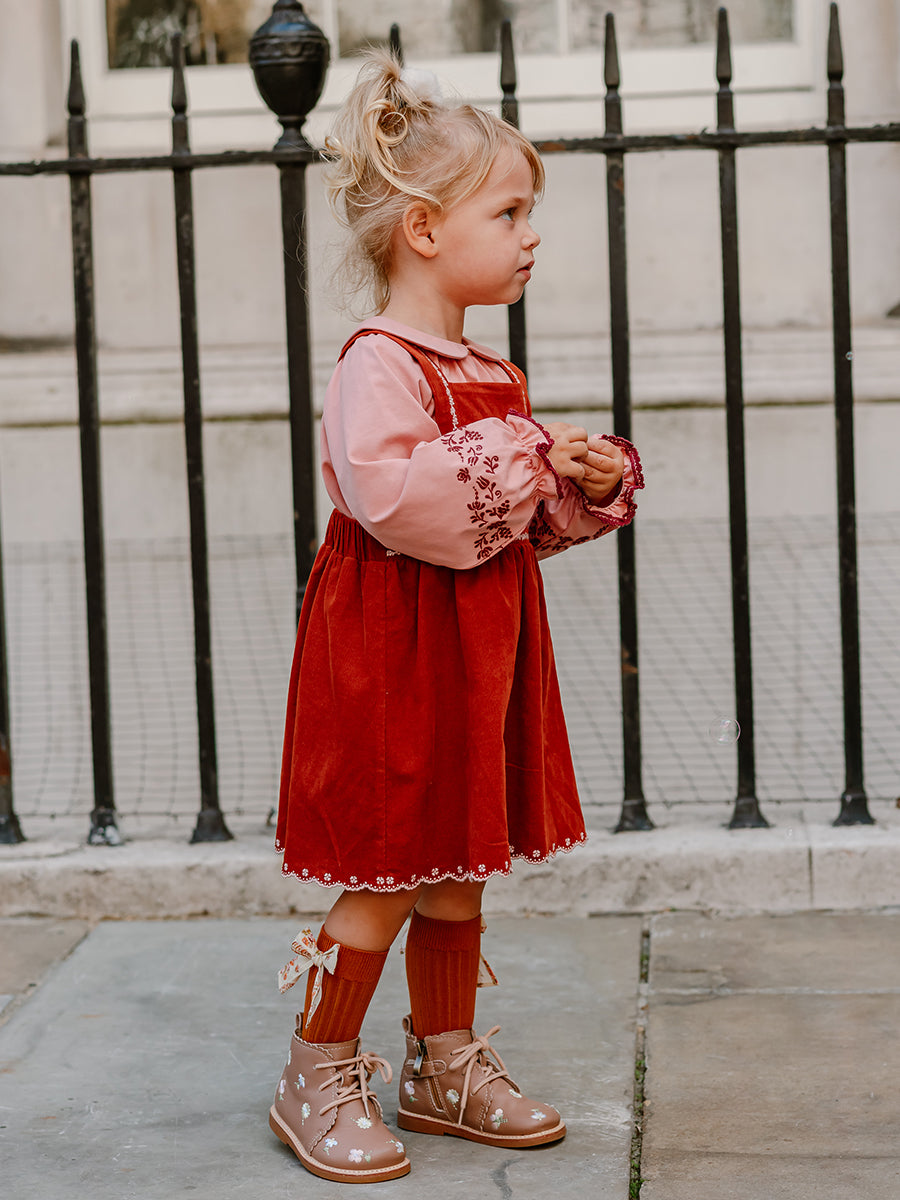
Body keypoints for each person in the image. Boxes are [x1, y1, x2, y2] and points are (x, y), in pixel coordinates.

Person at [269, 49, 643, 1185]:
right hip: (392, 653)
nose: (531, 236)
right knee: (387, 864)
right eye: (509, 212)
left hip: (475, 647)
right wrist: (528, 457)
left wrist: (576, 483)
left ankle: (442, 1063)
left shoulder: (488, 368)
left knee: (458, 861)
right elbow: (398, 499)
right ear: (424, 229)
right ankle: (315, 1068)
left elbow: (500, 522)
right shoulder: (376, 362)